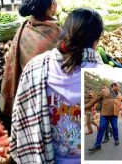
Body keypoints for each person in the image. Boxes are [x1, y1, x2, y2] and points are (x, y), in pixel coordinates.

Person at [10, 8, 105, 163]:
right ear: (96, 41)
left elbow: (21, 118)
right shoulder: (102, 73)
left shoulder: (36, 66)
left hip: (46, 157)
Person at [0, 0, 61, 126]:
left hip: (25, 98)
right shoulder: (57, 36)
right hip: (46, 107)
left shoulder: (25, 28)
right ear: (52, 6)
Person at [86, 83, 122, 152]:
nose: (119, 88)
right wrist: (86, 107)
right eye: (118, 86)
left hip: (114, 115)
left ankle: (116, 139)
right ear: (113, 86)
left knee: (115, 127)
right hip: (105, 114)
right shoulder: (104, 91)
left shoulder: (119, 95)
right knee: (101, 127)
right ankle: (97, 145)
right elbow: (95, 100)